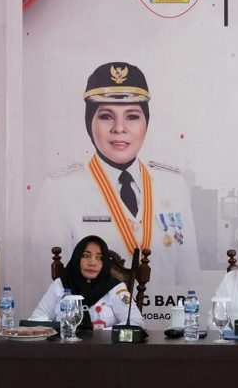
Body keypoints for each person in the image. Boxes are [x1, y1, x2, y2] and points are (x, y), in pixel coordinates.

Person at [31, 62, 200, 293]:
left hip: (163, 314)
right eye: (106, 116)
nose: (119, 128)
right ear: (89, 123)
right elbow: (48, 287)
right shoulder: (60, 189)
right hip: (94, 315)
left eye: (132, 116)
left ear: (146, 123)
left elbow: (189, 278)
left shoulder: (173, 185)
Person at [29, 235, 145, 329]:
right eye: (85, 256)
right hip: (65, 348)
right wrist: (59, 329)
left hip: (105, 349)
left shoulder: (116, 288)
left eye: (99, 258)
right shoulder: (60, 285)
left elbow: (136, 321)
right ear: (76, 259)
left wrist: (101, 334)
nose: (92, 263)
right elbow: (36, 320)